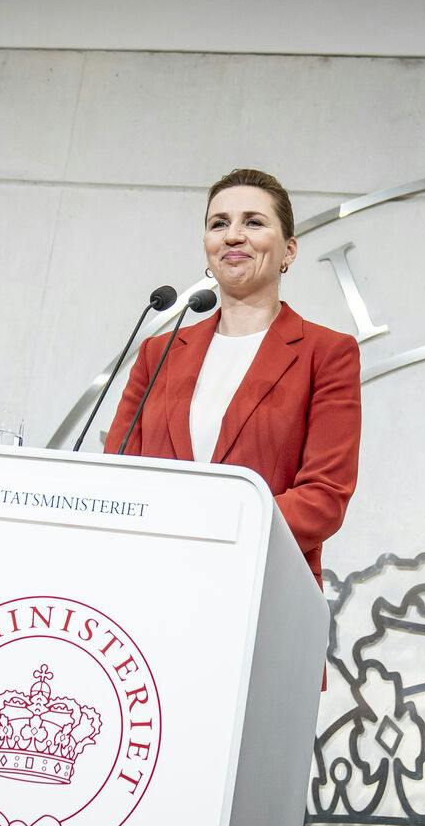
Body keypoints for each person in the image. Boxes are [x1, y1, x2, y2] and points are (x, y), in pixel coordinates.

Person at [105, 168, 360, 580]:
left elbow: (323, 499)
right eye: (218, 224)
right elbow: (117, 475)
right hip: (148, 580)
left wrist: (212, 527)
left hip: (260, 585)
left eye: (253, 222)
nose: (232, 235)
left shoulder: (327, 353)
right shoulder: (158, 352)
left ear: (289, 251)